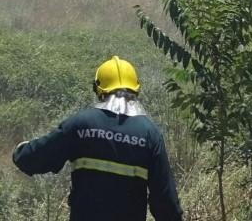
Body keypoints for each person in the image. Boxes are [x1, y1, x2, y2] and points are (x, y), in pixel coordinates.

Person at [13, 56, 183, 221]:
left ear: (98, 89)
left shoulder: (80, 125)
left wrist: (20, 151)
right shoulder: (150, 134)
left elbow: (36, 157)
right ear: (136, 90)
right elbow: (165, 203)